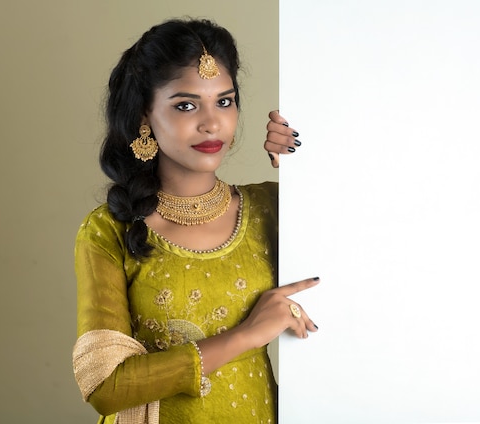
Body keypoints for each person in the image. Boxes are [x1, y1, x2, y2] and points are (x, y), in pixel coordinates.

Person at [72, 17, 318, 423]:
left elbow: (372, 223)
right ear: (144, 116)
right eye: (186, 105)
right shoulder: (109, 229)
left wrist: (305, 169)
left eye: (224, 101)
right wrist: (248, 334)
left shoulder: (270, 206)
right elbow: (105, 385)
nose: (212, 122)